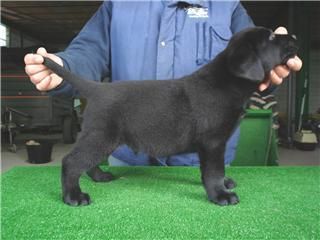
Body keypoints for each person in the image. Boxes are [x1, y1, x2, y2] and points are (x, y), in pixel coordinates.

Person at [24, 1, 302, 166]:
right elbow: (90, 51)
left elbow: (253, 62)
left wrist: (275, 63)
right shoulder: (118, 3)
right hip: (128, 160)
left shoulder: (227, 5)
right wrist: (66, 66)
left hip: (200, 162)